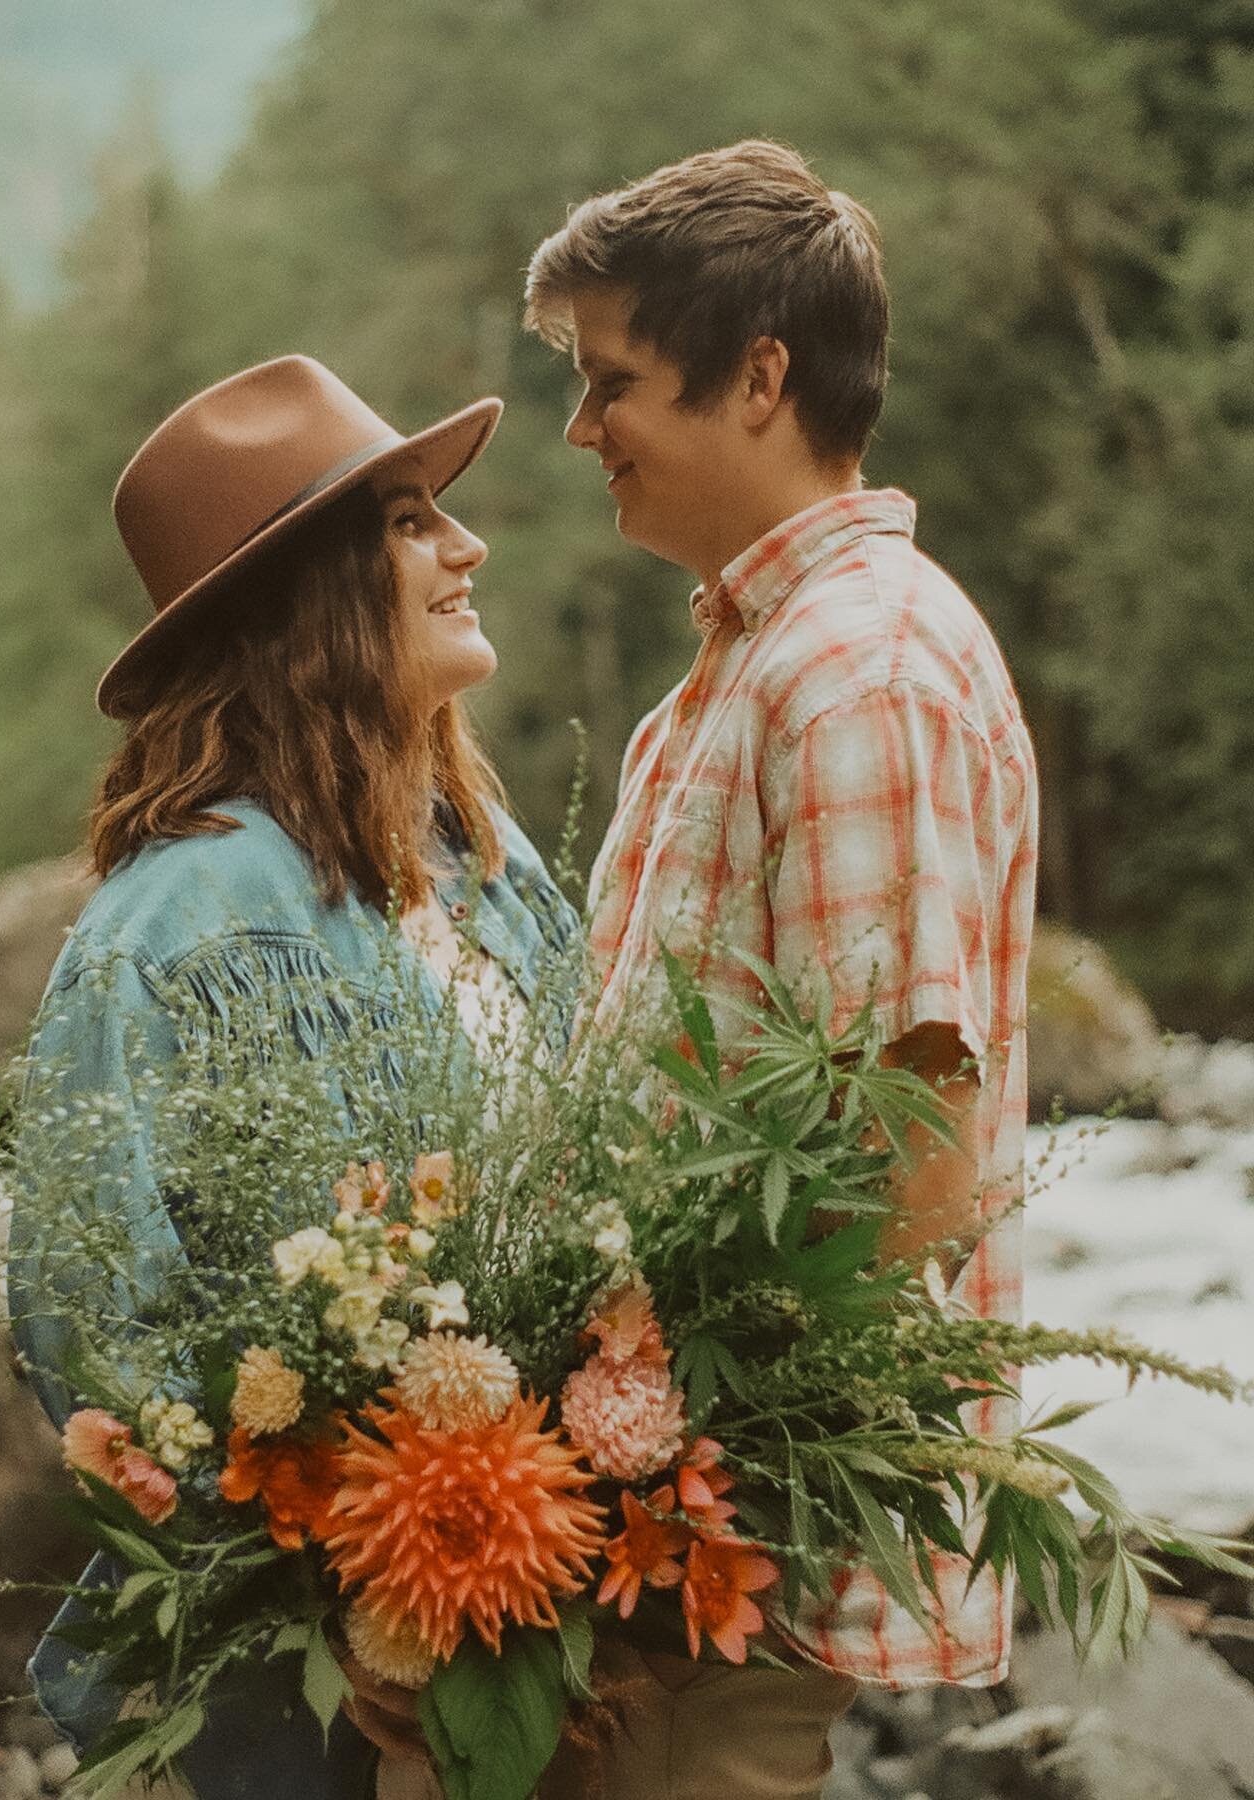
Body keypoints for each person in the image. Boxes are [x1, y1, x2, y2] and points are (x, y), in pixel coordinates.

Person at [521, 140, 1039, 1798]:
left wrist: (688, 1486)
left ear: (762, 377)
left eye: (613, 386)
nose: (581, 431)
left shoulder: (857, 676)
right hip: (645, 1525)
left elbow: (911, 1162)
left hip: (719, 1544)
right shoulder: (760, 660)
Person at [6, 354, 579, 1800]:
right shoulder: (170, 927)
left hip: (536, 1618)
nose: (466, 544)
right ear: (304, 601)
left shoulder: (495, 877)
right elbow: (87, 1322)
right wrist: (353, 1571)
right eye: (403, 522)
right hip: (308, 1685)